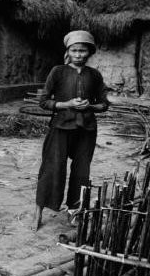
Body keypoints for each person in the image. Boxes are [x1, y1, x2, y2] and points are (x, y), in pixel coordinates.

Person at [32, 30, 109, 231]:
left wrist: (89, 107)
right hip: (60, 127)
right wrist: (66, 104)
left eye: (83, 51)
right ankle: (38, 212)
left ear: (89, 52)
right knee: (52, 169)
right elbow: (43, 102)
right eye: (74, 50)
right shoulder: (57, 71)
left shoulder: (95, 75)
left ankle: (75, 212)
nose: (78, 55)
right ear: (68, 51)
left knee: (81, 172)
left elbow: (104, 104)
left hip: (86, 129)